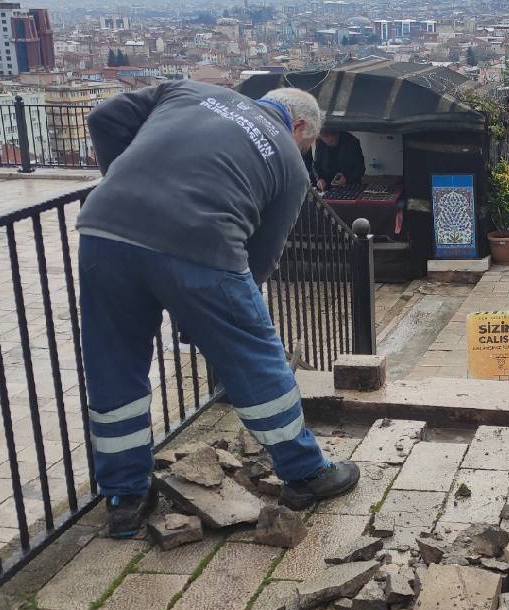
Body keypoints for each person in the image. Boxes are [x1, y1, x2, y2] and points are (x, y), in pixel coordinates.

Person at [77, 80, 361, 537]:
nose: (305, 153)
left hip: (105, 231)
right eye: (307, 145)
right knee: (257, 359)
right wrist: (216, 316)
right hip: (202, 245)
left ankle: (123, 498)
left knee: (113, 365)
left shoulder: (188, 91)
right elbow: (263, 256)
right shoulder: (290, 163)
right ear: (300, 125)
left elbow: (104, 118)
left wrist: (125, 182)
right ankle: (306, 473)